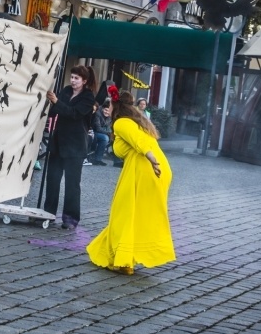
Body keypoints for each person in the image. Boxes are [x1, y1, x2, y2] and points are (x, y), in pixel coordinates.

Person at [87, 90, 176, 275]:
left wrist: (151, 158)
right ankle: (117, 255)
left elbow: (140, 142)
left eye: (109, 105)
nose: (107, 108)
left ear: (116, 107)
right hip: (156, 169)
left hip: (145, 168)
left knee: (124, 213)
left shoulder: (121, 123)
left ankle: (123, 260)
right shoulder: (137, 122)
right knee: (133, 215)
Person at [43, 65, 97, 229]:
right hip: (59, 142)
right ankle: (48, 214)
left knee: (72, 184)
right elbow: (55, 111)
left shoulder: (88, 98)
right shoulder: (66, 91)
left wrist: (56, 102)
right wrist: (50, 104)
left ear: (84, 81)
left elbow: (74, 114)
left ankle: (70, 218)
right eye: (72, 77)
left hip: (76, 145)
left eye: (76, 78)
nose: (73, 81)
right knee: (52, 180)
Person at [88, 100, 112, 166]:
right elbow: (98, 128)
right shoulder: (98, 114)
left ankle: (117, 161)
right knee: (105, 138)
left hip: (104, 132)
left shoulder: (110, 115)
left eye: (109, 111)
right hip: (94, 131)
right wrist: (109, 134)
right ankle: (97, 159)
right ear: (102, 108)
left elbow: (110, 126)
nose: (107, 112)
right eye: (105, 110)